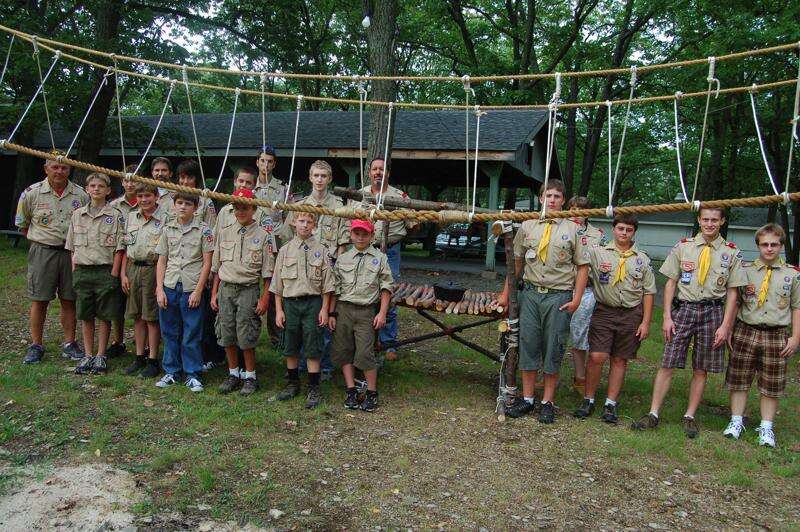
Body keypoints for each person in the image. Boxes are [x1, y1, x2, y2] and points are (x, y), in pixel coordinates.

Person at [632, 207, 745, 438]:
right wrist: (666, 317)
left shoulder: (731, 252)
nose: (710, 224)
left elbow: (733, 292)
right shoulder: (683, 247)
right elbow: (671, 283)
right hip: (684, 309)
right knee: (668, 362)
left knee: (701, 368)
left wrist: (726, 325)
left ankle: (690, 416)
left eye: (715, 220)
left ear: (722, 221)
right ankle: (653, 413)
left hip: (713, 312)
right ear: (699, 220)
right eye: (706, 219)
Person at [499, 179, 589, 423]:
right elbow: (516, 263)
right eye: (548, 195)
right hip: (530, 294)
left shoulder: (573, 229)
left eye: (557, 196)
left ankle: (548, 402)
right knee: (528, 345)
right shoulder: (528, 225)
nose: (552, 200)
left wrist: (577, 299)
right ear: (541, 199)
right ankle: (528, 399)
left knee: (553, 348)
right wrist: (505, 295)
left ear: (563, 201)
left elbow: (583, 267)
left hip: (558, 296)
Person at [573, 214, 655, 423]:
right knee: (596, 356)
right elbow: (579, 263)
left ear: (634, 232)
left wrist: (645, 322)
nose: (624, 233)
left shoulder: (643, 259)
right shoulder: (598, 253)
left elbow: (648, 292)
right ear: (614, 229)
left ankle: (610, 403)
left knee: (619, 358)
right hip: (605, 310)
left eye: (629, 230)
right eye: (620, 228)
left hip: (631, 313)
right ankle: (588, 399)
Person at [723, 224, 799, 448]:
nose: (769, 248)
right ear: (758, 246)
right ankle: (736, 421)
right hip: (746, 330)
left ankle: (766, 427)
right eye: (764, 244)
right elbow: (736, 302)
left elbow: (797, 307)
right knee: (739, 378)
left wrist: (795, 337)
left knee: (771, 382)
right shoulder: (745, 271)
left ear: (781, 246)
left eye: (774, 244)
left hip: (776, 334)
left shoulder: (792, 275)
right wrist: (728, 328)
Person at [15, 152, 89, 364]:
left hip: (71, 254)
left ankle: (70, 344)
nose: (59, 171)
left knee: (69, 299)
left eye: (64, 167)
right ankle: (36, 345)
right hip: (43, 251)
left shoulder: (80, 195)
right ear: (46, 169)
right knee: (40, 299)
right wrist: (42, 241)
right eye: (55, 167)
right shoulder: (31, 193)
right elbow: (23, 224)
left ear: (70, 169)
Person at [280, 160, 350, 379]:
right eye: (316, 175)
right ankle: (302, 365)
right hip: (302, 270)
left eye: (324, 176)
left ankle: (324, 366)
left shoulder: (338, 206)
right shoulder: (300, 206)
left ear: (330, 179)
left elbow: (343, 242)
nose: (319, 180)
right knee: (301, 323)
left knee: (323, 319)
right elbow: (288, 237)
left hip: (328, 268)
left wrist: (335, 267)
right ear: (310, 177)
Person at [348, 157, 417, 360]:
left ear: (388, 173)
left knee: (389, 293)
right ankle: (365, 339)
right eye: (375, 169)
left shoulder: (400, 197)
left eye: (382, 169)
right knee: (363, 292)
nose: (378, 172)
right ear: (369, 172)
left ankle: (388, 343)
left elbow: (414, 225)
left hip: (390, 252)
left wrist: (398, 237)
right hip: (365, 250)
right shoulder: (360, 195)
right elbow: (349, 224)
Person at [210, 188, 275, 396]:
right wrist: (214, 293)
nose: (240, 212)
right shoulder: (224, 232)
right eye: (237, 208)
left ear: (253, 209)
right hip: (226, 289)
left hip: (248, 289)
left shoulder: (264, 236)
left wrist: (265, 298)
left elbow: (268, 274)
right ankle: (233, 373)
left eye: (245, 208)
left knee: (246, 334)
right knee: (226, 331)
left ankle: (250, 376)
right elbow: (217, 267)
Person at [271, 211, 335, 409]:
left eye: (309, 222)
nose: (305, 225)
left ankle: (313, 387)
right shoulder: (285, 250)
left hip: (313, 303)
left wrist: (325, 309)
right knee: (290, 344)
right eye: (301, 221)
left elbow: (328, 285)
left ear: (314, 225)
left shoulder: (322, 250)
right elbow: (277, 285)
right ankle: (293, 383)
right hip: (290, 304)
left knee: (312, 344)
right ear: (294, 223)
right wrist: (279, 310)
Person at [329, 219, 393, 411]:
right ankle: (351, 390)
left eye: (365, 234)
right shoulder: (343, 258)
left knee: (365, 353)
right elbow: (335, 289)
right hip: (343, 309)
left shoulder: (380, 258)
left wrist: (382, 313)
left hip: (366, 311)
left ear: (372, 236)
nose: (360, 237)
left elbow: (386, 287)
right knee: (344, 350)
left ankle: (372, 393)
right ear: (351, 235)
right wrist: (332, 313)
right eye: (357, 233)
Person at [65, 173, 125, 375]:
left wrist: (114, 273)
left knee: (105, 315)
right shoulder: (77, 215)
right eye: (92, 185)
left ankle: (101, 354)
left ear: (108, 190)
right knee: (85, 314)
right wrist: (75, 270)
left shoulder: (115, 215)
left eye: (101, 186)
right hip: (83, 271)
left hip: (105, 270)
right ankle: (88, 354)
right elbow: (72, 246)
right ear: (87, 189)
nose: (96, 189)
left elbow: (119, 247)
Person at [155, 192, 214, 392]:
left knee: (192, 332)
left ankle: (192, 373)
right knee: (169, 331)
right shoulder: (168, 229)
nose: (183, 207)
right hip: (170, 285)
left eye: (188, 204)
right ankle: (171, 371)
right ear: (174, 205)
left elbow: (207, 263)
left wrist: (198, 291)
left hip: (191, 287)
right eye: (179, 203)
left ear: (195, 207)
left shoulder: (203, 230)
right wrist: (159, 289)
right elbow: (162, 260)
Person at [120, 182, 169, 378]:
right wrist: (123, 274)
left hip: (152, 268)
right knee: (137, 315)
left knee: (151, 316)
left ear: (156, 197)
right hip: (133, 267)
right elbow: (125, 247)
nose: (144, 200)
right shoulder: (132, 217)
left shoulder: (165, 218)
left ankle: (153, 359)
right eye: (140, 196)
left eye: (148, 196)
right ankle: (139, 356)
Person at [567, 196, 606, 396]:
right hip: (561, 286)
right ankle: (545, 374)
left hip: (586, 291)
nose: (576, 213)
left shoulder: (597, 236)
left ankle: (580, 378)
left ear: (588, 213)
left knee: (580, 334)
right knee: (551, 334)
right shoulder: (560, 229)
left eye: (581, 210)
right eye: (572, 208)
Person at [107, 164, 140, 358]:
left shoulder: (147, 202)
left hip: (138, 257)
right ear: (121, 181)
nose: (130, 184)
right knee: (117, 302)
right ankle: (118, 340)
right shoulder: (114, 205)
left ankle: (141, 341)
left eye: (134, 180)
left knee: (139, 303)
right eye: (127, 180)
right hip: (118, 255)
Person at [254, 146, 289, 232]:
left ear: (274, 164)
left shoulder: (283, 188)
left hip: (276, 234)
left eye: (270, 161)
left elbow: (288, 216)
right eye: (263, 161)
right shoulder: (250, 185)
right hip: (254, 233)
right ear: (257, 162)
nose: (266, 165)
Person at [175, 159, 217, 227]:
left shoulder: (205, 201)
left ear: (196, 179)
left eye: (190, 178)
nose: (185, 182)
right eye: (182, 177)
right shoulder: (171, 198)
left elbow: (211, 228)